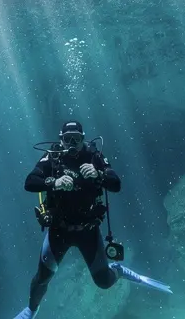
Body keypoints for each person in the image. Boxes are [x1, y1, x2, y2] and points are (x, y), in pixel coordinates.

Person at [12, 121, 170, 319]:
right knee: (42, 279)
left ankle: (118, 271)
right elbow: (30, 182)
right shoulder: (52, 158)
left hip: (88, 230)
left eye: (76, 139)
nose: (71, 143)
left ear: (83, 139)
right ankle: (31, 311)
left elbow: (116, 184)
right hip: (58, 230)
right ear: (60, 139)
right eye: (67, 138)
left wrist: (99, 174)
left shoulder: (95, 157)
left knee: (103, 282)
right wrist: (53, 182)